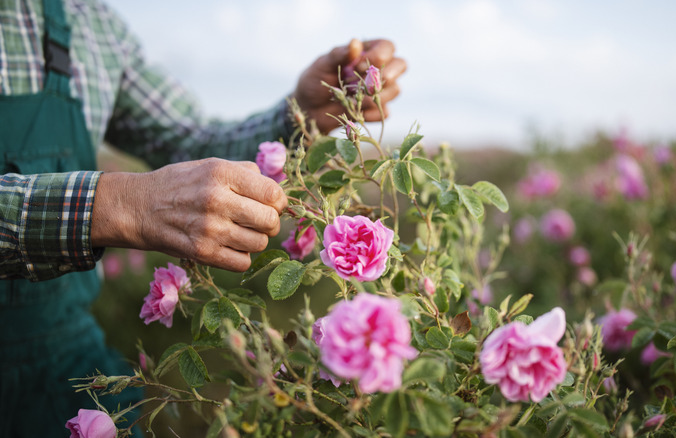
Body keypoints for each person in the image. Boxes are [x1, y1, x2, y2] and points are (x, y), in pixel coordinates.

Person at [0, 0, 406, 435]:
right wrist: (115, 205)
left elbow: (190, 141)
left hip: (62, 347)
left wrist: (301, 115)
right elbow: (137, 195)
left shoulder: (88, 22)